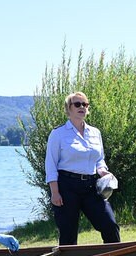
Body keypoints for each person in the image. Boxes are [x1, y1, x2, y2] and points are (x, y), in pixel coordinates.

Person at [45, 91, 120, 245]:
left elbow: (99, 159)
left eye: (85, 104)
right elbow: (51, 165)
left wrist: (103, 171)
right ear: (68, 108)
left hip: (91, 186)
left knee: (109, 224)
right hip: (67, 186)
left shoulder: (95, 133)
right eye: (77, 104)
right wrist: (55, 192)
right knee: (68, 233)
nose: (82, 107)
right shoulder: (58, 133)